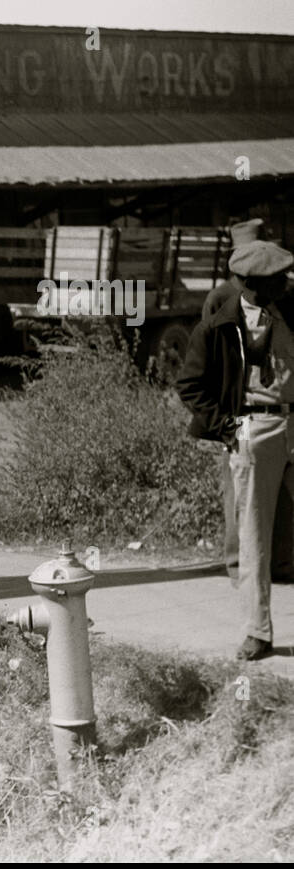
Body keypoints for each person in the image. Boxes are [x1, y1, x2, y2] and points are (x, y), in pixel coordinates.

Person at [177, 239, 294, 661]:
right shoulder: (218, 325)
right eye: (277, 279)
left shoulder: (291, 310)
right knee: (253, 535)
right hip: (253, 428)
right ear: (249, 284)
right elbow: (189, 385)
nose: (286, 282)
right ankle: (257, 632)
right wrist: (228, 427)